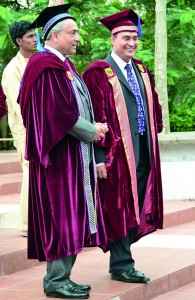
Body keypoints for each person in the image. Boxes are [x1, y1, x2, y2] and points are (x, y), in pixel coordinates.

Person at [18, 3, 108, 299]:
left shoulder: (62, 64)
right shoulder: (44, 65)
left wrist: (92, 126)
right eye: (72, 32)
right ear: (53, 36)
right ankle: (55, 281)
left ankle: (63, 277)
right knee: (62, 217)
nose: (77, 37)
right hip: (57, 158)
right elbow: (57, 112)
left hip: (72, 155)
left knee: (72, 215)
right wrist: (90, 130)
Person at [82, 9, 163, 284]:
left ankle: (123, 260)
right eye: (126, 37)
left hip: (143, 151)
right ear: (113, 39)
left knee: (136, 205)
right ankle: (121, 264)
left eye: (135, 38)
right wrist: (100, 158)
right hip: (117, 156)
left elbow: (154, 101)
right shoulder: (98, 72)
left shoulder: (140, 68)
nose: (132, 43)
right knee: (119, 208)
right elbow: (95, 118)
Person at [1, 20, 37, 237]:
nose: (35, 40)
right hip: (25, 128)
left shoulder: (38, 60)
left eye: (35, 35)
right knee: (29, 169)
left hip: (41, 126)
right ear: (18, 41)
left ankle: (40, 218)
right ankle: (26, 224)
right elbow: (18, 104)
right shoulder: (12, 69)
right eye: (30, 36)